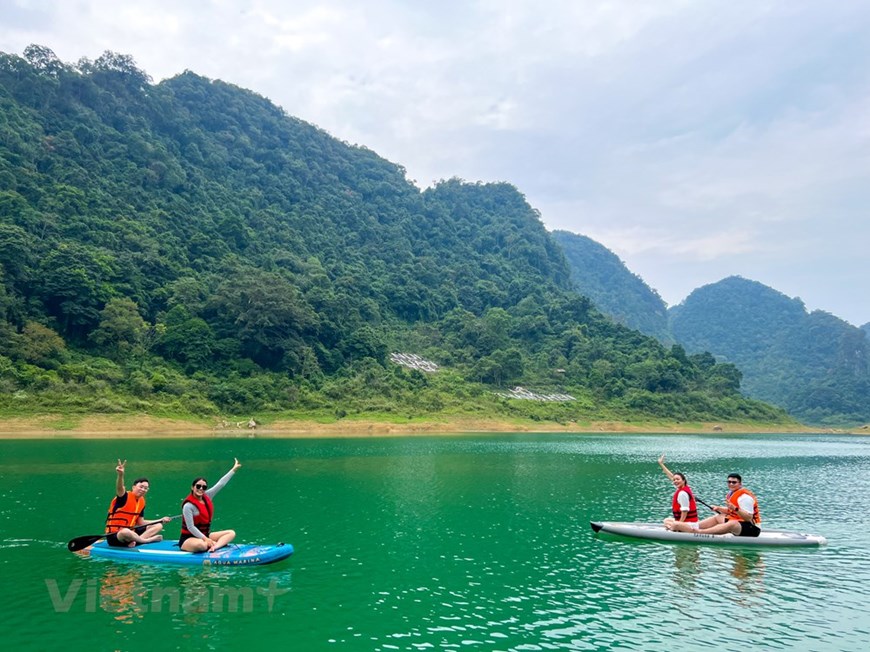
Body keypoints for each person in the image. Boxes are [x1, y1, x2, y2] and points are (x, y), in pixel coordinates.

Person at [179, 458, 242, 552]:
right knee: (202, 545)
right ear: (192, 487)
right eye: (198, 486)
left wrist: (233, 469)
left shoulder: (207, 496)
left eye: (204, 487)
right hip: (189, 539)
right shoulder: (188, 506)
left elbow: (221, 484)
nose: (201, 489)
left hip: (205, 535)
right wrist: (206, 539)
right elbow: (190, 527)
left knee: (231, 533)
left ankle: (215, 547)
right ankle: (210, 544)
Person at [670, 473, 761, 537]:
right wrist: (719, 508)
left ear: (740, 484)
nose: (731, 484)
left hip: (752, 529)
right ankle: (694, 527)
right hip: (739, 523)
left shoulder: (745, 497)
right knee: (719, 516)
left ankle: (700, 532)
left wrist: (735, 509)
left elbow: (748, 518)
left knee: (732, 524)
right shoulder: (732, 493)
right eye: (729, 482)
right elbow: (731, 511)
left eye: (734, 482)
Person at [105, 459, 170, 547]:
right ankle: (146, 540)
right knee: (125, 531)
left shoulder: (141, 501)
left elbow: (141, 522)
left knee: (158, 526)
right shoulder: (124, 497)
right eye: (141, 487)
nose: (143, 489)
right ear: (133, 487)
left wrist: (161, 520)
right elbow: (119, 488)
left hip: (132, 532)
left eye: (146, 488)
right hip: (115, 535)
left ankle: (137, 542)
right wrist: (120, 475)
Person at [658, 455, 699, 530]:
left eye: (678, 479)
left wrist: (679, 525)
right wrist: (661, 464)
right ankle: (674, 527)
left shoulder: (682, 493)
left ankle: (676, 529)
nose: (675, 481)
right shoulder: (684, 487)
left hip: (690, 525)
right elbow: (671, 476)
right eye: (674, 480)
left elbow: (685, 511)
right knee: (666, 520)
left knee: (672, 524)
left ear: (683, 480)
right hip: (688, 523)